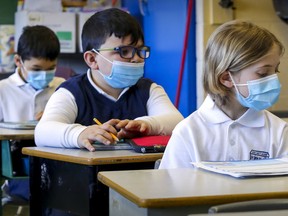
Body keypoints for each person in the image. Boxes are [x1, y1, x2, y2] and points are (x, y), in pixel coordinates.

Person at [35, 8, 184, 152]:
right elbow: (43, 131)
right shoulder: (72, 92)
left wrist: (146, 124)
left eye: (139, 50)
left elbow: (177, 122)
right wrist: (80, 134)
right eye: (124, 51)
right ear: (92, 59)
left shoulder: (148, 89)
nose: (136, 58)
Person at [159, 20, 288, 169]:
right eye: (263, 73)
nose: (274, 80)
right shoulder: (188, 133)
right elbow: (171, 189)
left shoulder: (278, 131)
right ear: (226, 78)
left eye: (275, 71)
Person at [0, 25, 65, 203]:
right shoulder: (3, 90)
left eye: (51, 68)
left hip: (58, 165)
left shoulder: (63, 87)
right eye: (36, 69)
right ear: (18, 61)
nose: (44, 75)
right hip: (19, 170)